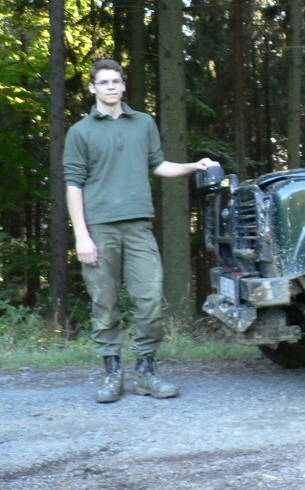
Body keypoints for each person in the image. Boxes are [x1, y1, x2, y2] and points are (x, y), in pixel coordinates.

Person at [64, 59, 219, 403]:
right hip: (99, 228)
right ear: (92, 88)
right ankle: (112, 373)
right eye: (103, 82)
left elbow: (158, 165)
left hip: (139, 226)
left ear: (123, 85)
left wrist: (194, 166)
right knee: (104, 302)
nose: (110, 87)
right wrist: (81, 235)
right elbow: (73, 184)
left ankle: (146, 371)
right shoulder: (80, 132)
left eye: (115, 81)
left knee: (150, 299)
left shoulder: (143, 123)